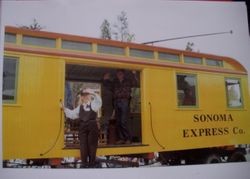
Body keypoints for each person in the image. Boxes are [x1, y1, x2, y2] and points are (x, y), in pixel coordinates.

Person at [61, 88, 102, 168]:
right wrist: (64, 109)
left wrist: (93, 93)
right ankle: (84, 163)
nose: (85, 97)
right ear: (82, 97)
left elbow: (99, 101)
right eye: (84, 95)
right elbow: (72, 114)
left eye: (87, 95)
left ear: (89, 96)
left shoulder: (93, 104)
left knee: (92, 144)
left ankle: (92, 163)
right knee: (83, 145)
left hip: (92, 126)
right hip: (82, 126)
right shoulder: (79, 107)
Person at [113, 69, 138, 144]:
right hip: (116, 101)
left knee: (124, 121)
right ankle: (121, 138)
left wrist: (134, 74)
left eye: (121, 73)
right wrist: (105, 79)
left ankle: (128, 138)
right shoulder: (115, 81)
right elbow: (108, 85)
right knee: (118, 121)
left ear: (123, 74)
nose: (119, 75)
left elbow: (136, 83)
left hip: (124, 101)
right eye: (118, 73)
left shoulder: (128, 80)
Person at [101, 72, 114, 138]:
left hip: (109, 105)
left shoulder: (110, 85)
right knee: (104, 121)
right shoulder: (104, 84)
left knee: (107, 121)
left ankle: (105, 137)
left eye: (109, 76)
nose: (108, 77)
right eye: (106, 75)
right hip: (104, 105)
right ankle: (103, 137)